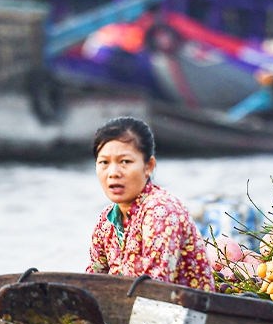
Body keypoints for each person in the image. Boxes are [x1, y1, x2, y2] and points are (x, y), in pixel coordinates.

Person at [86, 117, 215, 291]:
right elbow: (92, 281)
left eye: (125, 162)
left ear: (148, 166)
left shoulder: (161, 209)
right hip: (131, 310)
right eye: (104, 163)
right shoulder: (106, 220)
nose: (113, 173)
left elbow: (156, 289)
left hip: (185, 313)